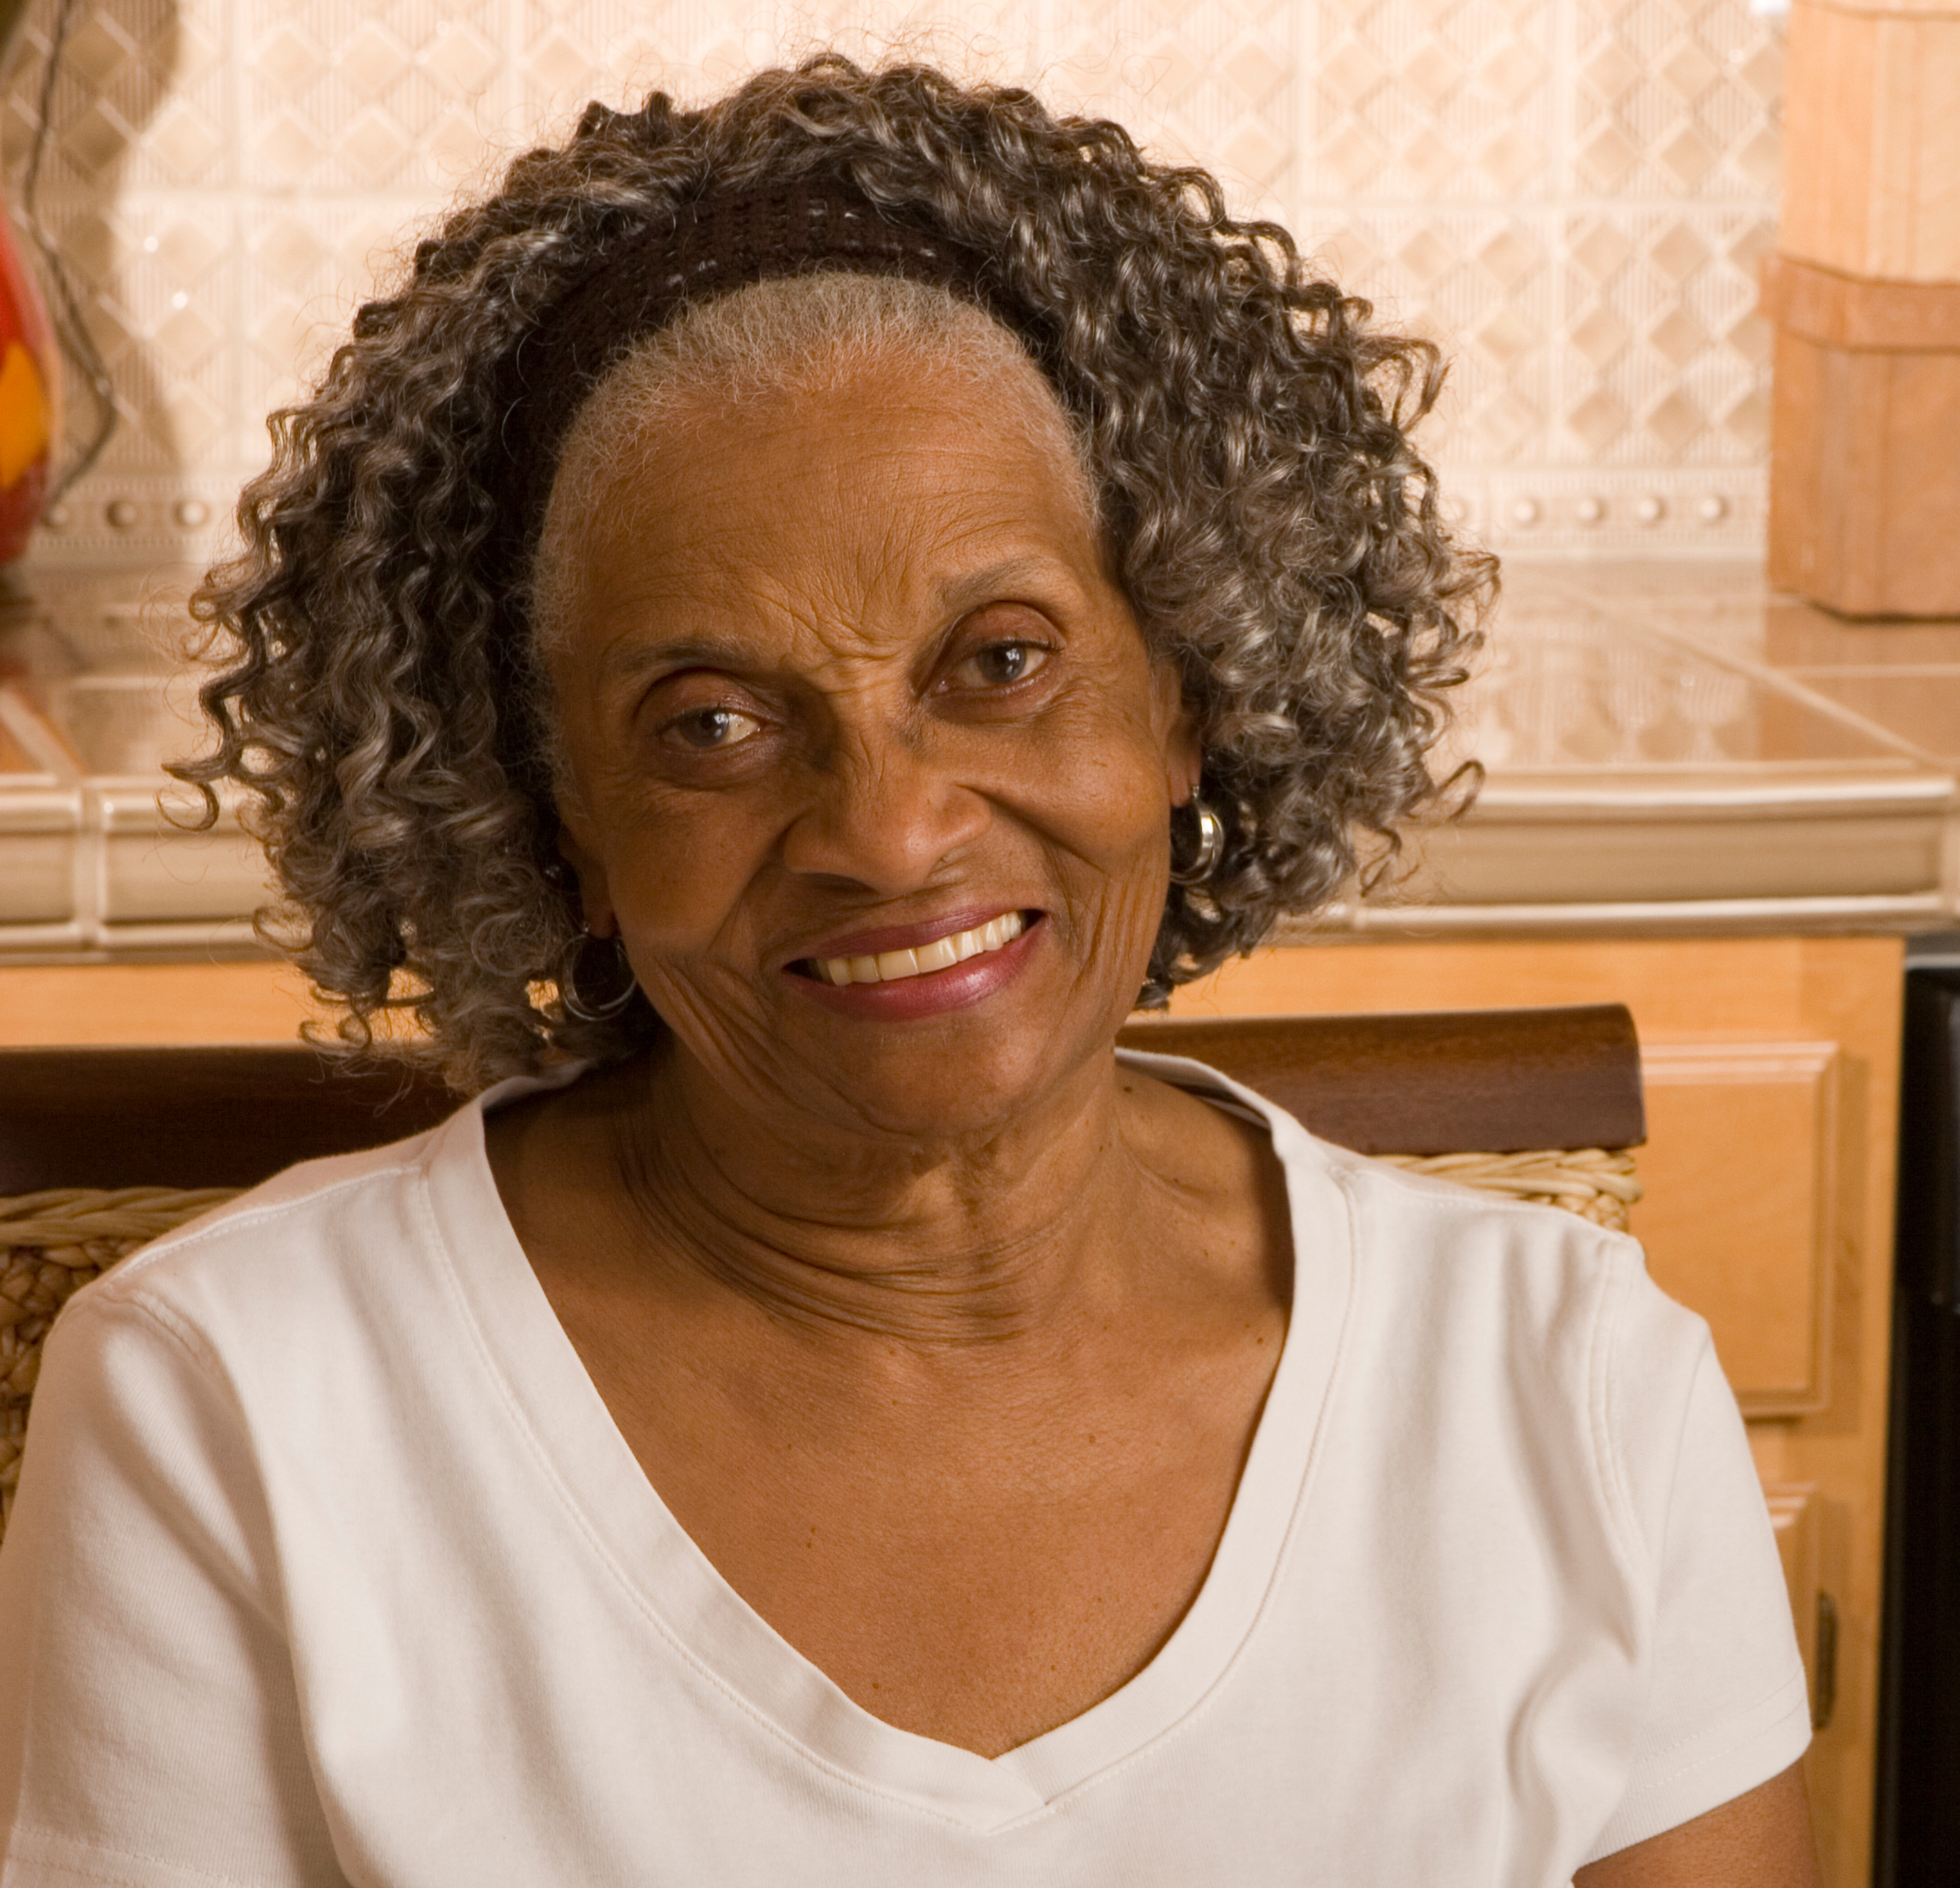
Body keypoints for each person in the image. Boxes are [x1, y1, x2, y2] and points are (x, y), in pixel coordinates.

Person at [0, 58, 1816, 1887]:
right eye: (709, 723)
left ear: (1187, 692)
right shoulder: (228, 1405)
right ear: (559, 828)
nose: (886, 828)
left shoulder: (1572, 1385)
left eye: (1002, 662)